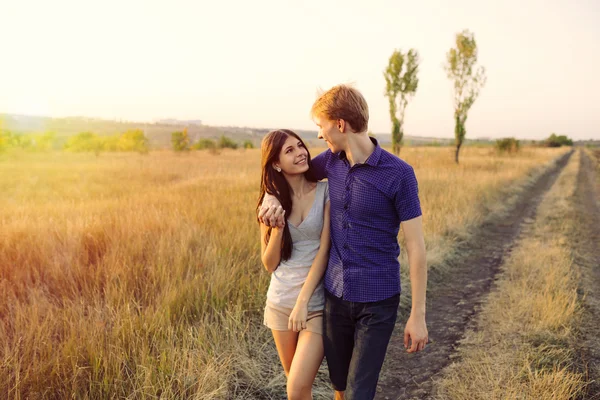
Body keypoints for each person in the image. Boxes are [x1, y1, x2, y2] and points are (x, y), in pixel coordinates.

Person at [259, 85, 428, 400]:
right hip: (334, 298)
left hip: (377, 300)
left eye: (321, 126)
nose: (320, 136)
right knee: (339, 386)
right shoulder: (330, 162)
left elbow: (416, 248)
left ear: (340, 125)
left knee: (358, 393)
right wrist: (270, 196)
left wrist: (417, 314)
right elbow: (288, 174)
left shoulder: (400, 174)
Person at [257, 129, 331, 400]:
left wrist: (302, 303)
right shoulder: (270, 205)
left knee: (297, 386)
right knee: (298, 389)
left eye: (300, 146)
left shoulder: (324, 191)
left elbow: (324, 250)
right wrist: (277, 228)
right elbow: (269, 264)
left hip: (313, 306)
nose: (301, 152)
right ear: (276, 163)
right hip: (279, 303)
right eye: (289, 150)